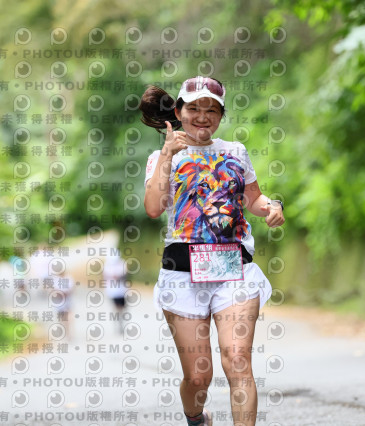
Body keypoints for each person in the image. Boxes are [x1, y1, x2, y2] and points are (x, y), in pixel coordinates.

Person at [141, 76, 285, 426]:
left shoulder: (235, 152)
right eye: (194, 108)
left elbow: (253, 198)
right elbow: (154, 208)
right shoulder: (161, 157)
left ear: (221, 115)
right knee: (198, 377)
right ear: (178, 112)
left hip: (234, 270)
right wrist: (167, 154)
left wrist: (272, 206)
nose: (202, 116)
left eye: (212, 109)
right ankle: (195, 417)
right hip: (182, 275)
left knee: (237, 361)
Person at [102, 253, 128, 334]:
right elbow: (105, 276)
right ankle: (118, 325)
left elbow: (125, 274)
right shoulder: (107, 265)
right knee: (117, 308)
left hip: (122, 291)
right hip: (112, 291)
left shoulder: (122, 263)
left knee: (122, 308)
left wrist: (119, 276)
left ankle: (120, 322)